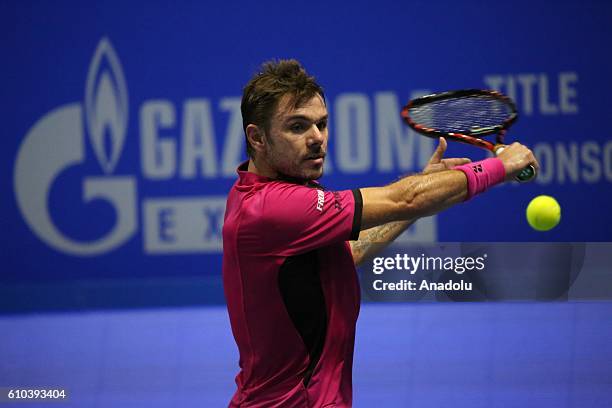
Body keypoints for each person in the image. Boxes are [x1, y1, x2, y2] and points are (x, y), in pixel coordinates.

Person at [222, 59, 539, 407]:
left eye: (322, 124)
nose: (317, 138)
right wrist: (499, 167)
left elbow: (350, 250)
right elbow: (405, 199)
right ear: (257, 137)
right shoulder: (271, 207)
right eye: (298, 127)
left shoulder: (275, 194)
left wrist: (424, 188)